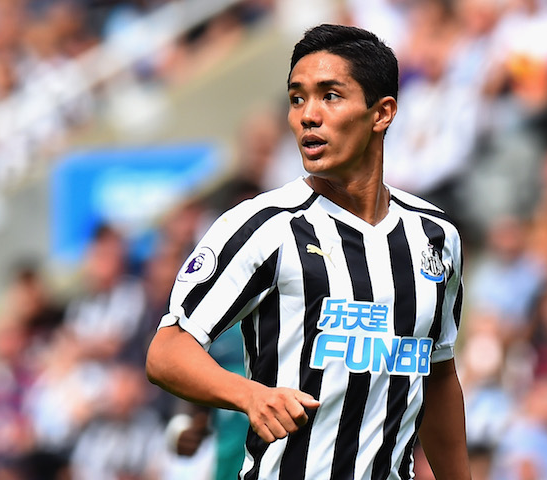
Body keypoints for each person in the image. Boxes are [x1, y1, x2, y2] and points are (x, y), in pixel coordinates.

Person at [146, 24, 470, 479]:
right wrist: (250, 396)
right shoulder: (265, 226)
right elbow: (166, 352)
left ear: (382, 113)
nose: (308, 116)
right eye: (297, 99)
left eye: (330, 96)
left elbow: (438, 377)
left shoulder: (436, 236)